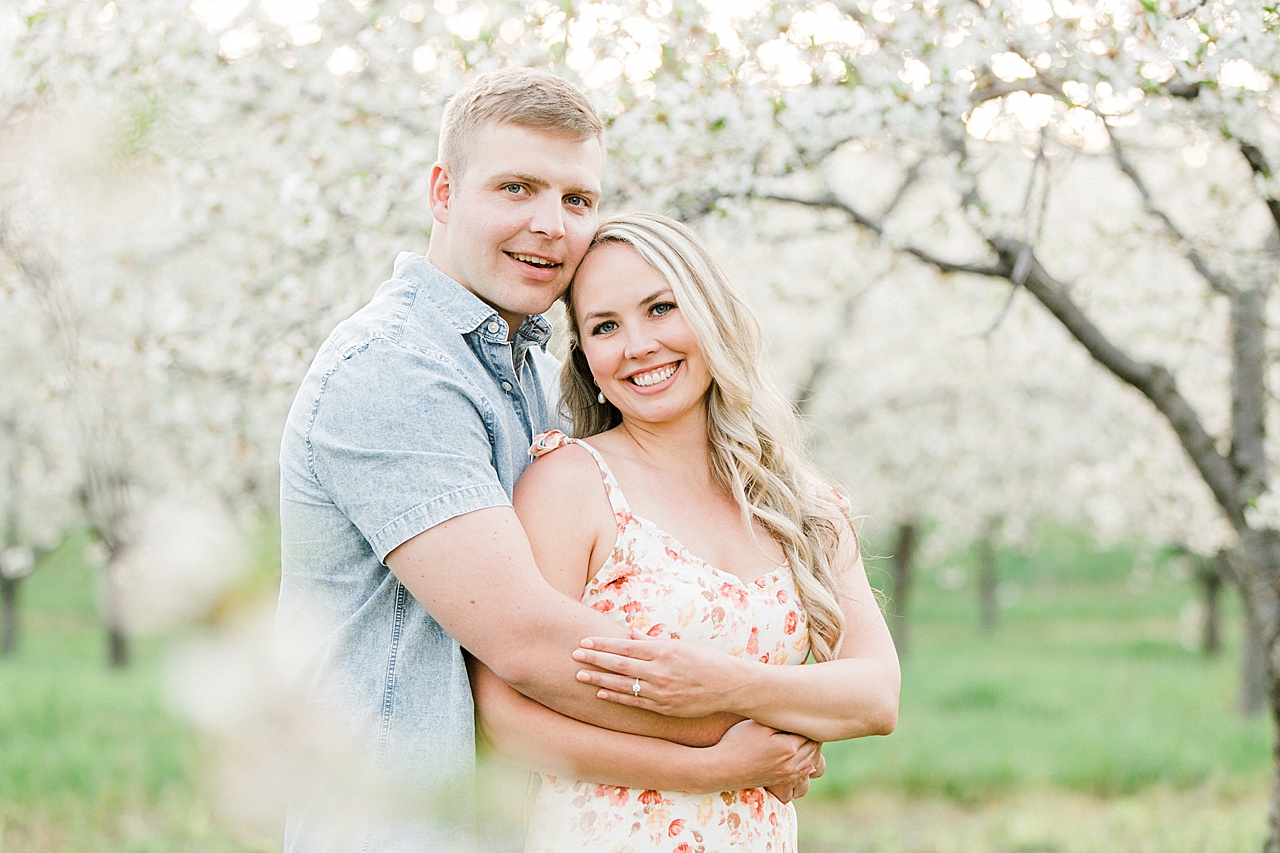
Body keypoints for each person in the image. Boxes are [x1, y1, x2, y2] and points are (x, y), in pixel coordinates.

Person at [275, 70, 819, 853]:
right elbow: (529, 639)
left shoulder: (526, 370)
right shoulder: (394, 369)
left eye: (576, 200)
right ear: (442, 191)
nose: (550, 225)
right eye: (516, 187)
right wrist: (752, 725)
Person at [469, 212, 901, 852]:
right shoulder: (571, 485)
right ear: (585, 356)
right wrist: (717, 767)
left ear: (710, 314)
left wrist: (728, 685)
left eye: (661, 308)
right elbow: (506, 720)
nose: (638, 344)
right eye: (605, 326)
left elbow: (873, 696)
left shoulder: (802, 506)